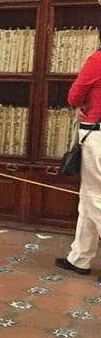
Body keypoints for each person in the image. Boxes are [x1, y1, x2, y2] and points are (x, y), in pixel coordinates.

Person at [56, 35, 101, 275]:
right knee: (88, 196)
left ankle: (80, 257)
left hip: (97, 134)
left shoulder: (97, 59)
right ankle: (80, 257)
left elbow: (75, 95)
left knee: (95, 197)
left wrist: (77, 105)